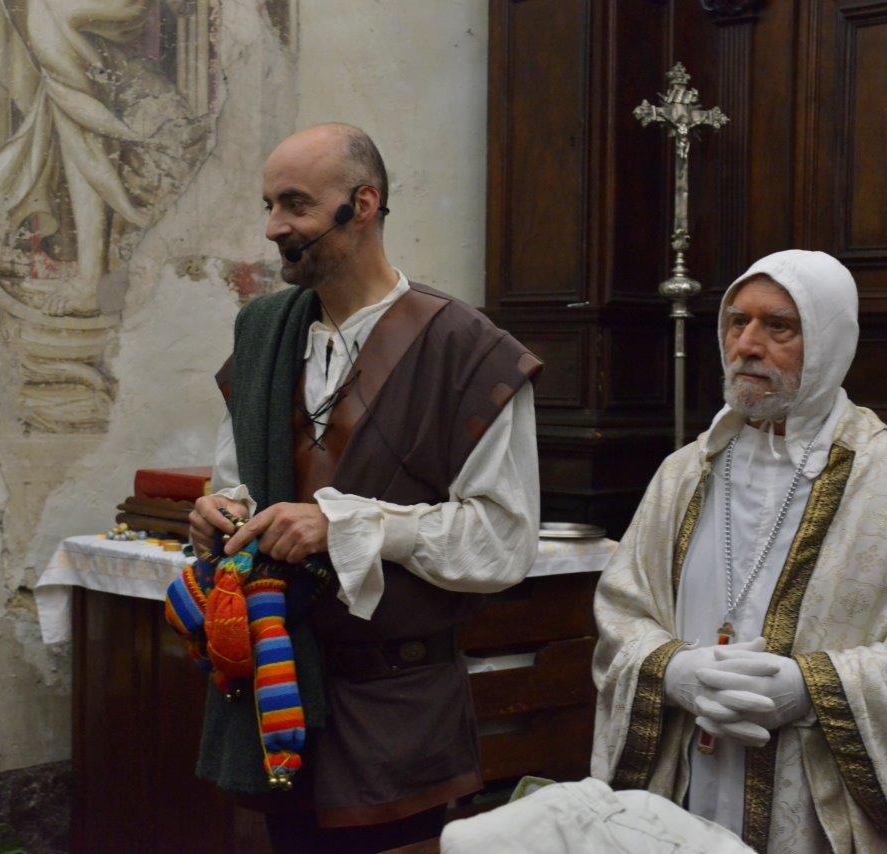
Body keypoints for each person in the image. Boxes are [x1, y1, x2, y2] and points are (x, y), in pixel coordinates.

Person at [188, 123, 542, 851]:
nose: (274, 227)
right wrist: (222, 515)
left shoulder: (465, 349)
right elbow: (240, 483)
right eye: (269, 205)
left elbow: (502, 542)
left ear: (364, 203)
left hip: (398, 712)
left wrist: (350, 527)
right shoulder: (264, 331)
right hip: (281, 696)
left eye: (295, 205)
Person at [590, 250, 887, 852]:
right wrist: (673, 672)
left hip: (814, 804)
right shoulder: (686, 472)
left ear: (830, 343)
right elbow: (623, 611)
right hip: (692, 773)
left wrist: (813, 689)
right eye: (737, 322)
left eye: (778, 327)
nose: (747, 345)